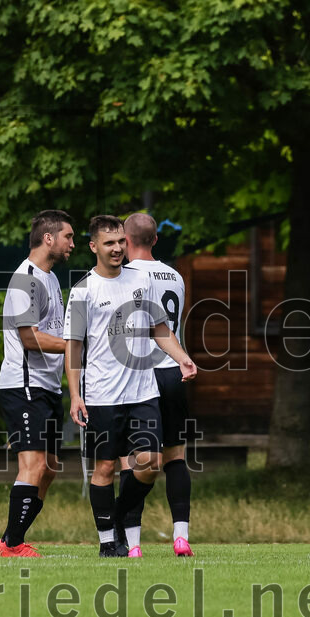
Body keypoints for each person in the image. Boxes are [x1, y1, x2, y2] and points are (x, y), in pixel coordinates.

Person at [64, 215, 196, 558]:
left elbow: (160, 329)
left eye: (121, 241)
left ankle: (119, 516)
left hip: (143, 392)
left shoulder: (141, 279)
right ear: (94, 247)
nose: (118, 248)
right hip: (102, 395)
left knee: (150, 463)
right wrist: (76, 394)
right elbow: (74, 347)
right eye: (109, 243)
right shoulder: (83, 291)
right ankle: (108, 540)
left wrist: (182, 357)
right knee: (105, 468)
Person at [0, 210, 75, 558]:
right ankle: (11, 545)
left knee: (50, 468)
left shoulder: (51, 278)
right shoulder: (26, 279)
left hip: (48, 387)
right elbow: (30, 338)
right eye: (68, 237)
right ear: (48, 238)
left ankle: (11, 538)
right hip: (23, 386)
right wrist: (77, 345)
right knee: (34, 465)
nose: (72, 243)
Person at [120, 213, 194, 557]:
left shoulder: (126, 276)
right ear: (156, 239)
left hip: (139, 374)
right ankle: (181, 537)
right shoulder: (175, 276)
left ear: (125, 239)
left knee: (131, 461)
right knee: (176, 455)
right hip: (173, 371)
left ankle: (132, 544)